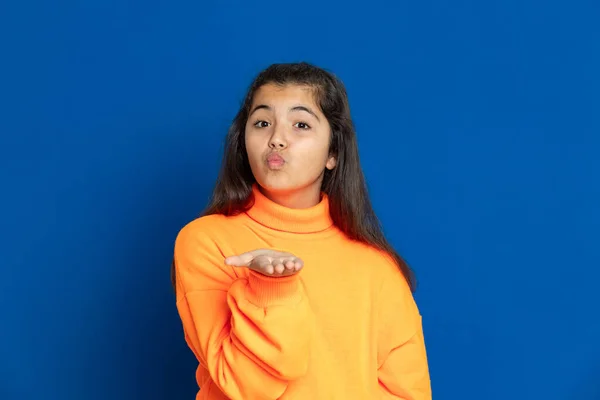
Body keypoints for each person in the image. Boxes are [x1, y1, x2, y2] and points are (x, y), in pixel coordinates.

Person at [171, 62, 432, 400]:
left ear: (333, 153)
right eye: (263, 123)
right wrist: (270, 289)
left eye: (301, 125)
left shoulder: (377, 267)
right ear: (243, 141)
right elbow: (244, 387)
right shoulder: (207, 241)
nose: (277, 139)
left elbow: (407, 393)